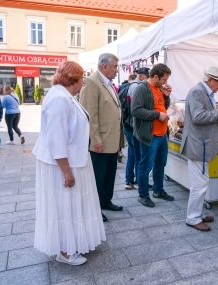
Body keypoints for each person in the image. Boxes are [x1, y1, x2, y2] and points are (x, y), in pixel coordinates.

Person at [33, 61, 106, 265]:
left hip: (73, 160)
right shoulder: (59, 98)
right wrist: (67, 172)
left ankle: (72, 243)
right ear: (73, 77)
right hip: (63, 163)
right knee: (64, 204)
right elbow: (57, 139)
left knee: (72, 204)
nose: (84, 80)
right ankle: (64, 251)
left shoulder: (66, 96)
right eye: (82, 76)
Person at [180, 66, 218, 231]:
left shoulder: (203, 92)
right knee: (199, 184)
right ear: (210, 80)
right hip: (198, 145)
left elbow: (203, 117)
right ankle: (193, 218)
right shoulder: (197, 91)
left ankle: (198, 214)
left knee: (201, 182)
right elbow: (198, 117)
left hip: (201, 145)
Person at [80, 53, 123, 222]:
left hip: (112, 139)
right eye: (114, 67)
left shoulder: (109, 83)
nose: (116, 70)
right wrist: (95, 139)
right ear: (104, 66)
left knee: (109, 174)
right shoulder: (92, 82)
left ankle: (106, 200)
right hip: (101, 141)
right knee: (98, 176)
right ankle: (95, 207)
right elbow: (90, 114)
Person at [131, 63, 174, 207]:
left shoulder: (158, 88)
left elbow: (163, 107)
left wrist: (166, 97)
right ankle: (143, 196)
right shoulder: (142, 89)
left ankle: (158, 190)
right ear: (155, 76)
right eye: (164, 80)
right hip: (150, 135)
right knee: (146, 166)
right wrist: (157, 115)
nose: (165, 83)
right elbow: (135, 111)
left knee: (160, 164)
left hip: (162, 134)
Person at [124, 67, 150, 189]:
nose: (148, 78)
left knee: (132, 153)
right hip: (132, 124)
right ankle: (138, 181)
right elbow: (136, 109)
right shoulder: (137, 87)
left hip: (128, 123)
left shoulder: (132, 85)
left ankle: (129, 180)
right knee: (137, 154)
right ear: (141, 76)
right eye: (147, 76)